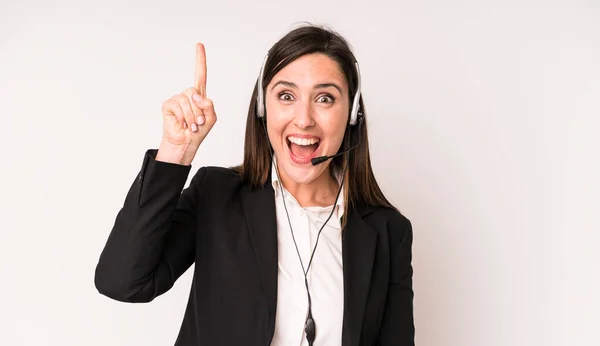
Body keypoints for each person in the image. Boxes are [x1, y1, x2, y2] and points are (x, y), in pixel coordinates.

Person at [94, 24, 415, 346]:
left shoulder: (388, 232)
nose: (303, 119)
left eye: (325, 98)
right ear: (263, 108)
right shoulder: (216, 194)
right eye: (286, 96)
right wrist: (175, 152)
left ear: (353, 113)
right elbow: (123, 282)